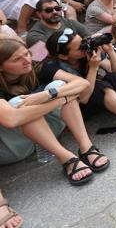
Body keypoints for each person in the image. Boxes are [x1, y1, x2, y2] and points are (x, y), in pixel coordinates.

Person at [0, 39, 108, 185]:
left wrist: (47, 95)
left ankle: (86, 147)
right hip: (13, 146)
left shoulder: (36, 67)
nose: (27, 60)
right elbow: (11, 119)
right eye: (17, 59)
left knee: (59, 86)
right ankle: (66, 158)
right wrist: (60, 100)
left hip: (45, 133)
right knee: (19, 103)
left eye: (27, 54)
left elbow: (82, 83)